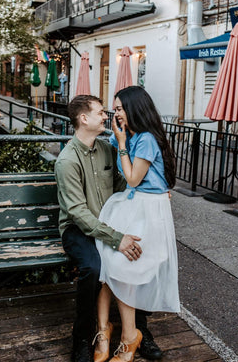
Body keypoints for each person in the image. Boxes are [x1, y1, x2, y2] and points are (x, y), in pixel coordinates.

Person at [55, 95, 162, 362]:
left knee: (137, 254)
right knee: (93, 267)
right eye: (101, 113)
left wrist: (157, 193)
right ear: (84, 119)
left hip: (109, 222)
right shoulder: (67, 160)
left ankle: (138, 332)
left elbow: (123, 182)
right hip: (78, 228)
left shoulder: (105, 149)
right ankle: (83, 337)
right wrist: (116, 238)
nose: (107, 117)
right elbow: (78, 213)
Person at [94, 86, 180, 362]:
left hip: (147, 209)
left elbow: (132, 178)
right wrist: (120, 139)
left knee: (124, 267)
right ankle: (111, 331)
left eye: (118, 108)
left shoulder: (145, 139)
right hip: (135, 204)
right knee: (110, 262)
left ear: (133, 108)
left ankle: (129, 337)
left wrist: (120, 143)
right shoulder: (133, 135)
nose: (114, 113)